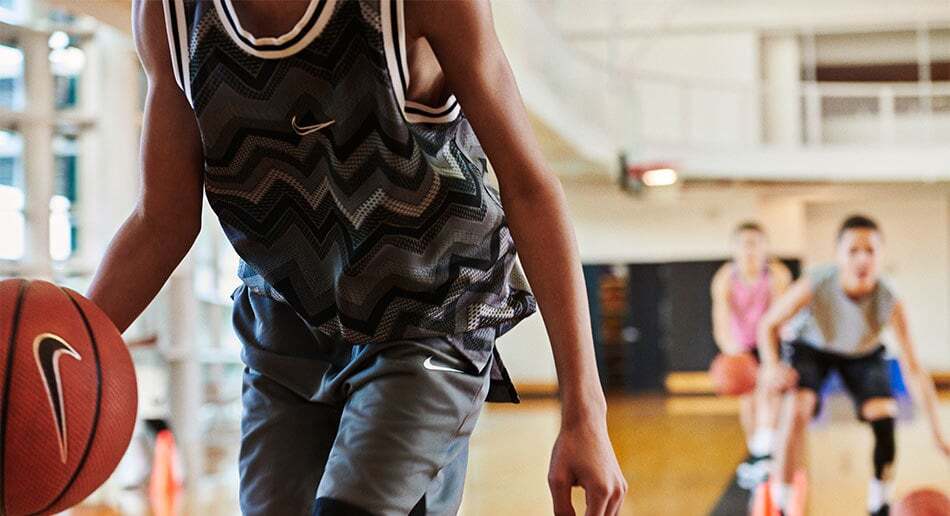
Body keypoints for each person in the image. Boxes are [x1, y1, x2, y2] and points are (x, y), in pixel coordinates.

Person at [86, 0, 627, 514]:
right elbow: (162, 220)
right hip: (285, 324)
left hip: (429, 316)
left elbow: (529, 187)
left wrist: (585, 412)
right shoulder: (169, 15)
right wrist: (65, 352)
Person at [758, 215, 950, 516]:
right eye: (853, 250)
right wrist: (770, 366)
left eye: (870, 251)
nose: (862, 258)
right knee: (797, 409)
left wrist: (938, 435)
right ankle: (782, 503)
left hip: (863, 354)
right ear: (838, 255)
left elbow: (914, 369)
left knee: (885, 416)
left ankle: (878, 501)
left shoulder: (889, 301)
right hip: (813, 348)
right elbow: (767, 324)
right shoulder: (816, 282)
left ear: (880, 256)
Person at [710, 222, 791, 487]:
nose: (750, 250)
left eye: (756, 243)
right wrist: (735, 355)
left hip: (769, 340)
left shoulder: (777, 274)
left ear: (765, 247)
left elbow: (780, 317)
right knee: (749, 402)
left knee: (770, 395)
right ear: (735, 249)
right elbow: (721, 322)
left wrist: (773, 359)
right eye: (745, 244)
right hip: (740, 345)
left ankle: (768, 451)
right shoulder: (724, 278)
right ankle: (756, 450)